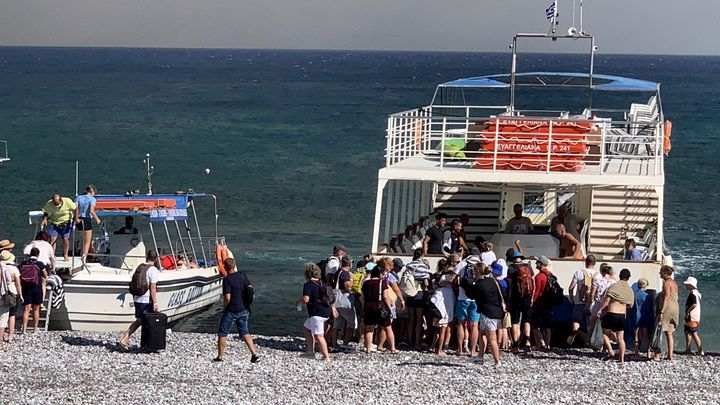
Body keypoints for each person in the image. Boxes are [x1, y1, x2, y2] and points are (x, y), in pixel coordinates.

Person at [214, 258, 259, 363]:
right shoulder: (242, 275)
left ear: (225, 267)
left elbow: (227, 298)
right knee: (245, 332)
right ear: (234, 266)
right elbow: (249, 288)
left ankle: (220, 356)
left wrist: (224, 307)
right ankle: (254, 354)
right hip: (243, 308)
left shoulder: (227, 280)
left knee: (223, 333)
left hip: (231, 310)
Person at [462, 262, 504, 367]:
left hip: (488, 313)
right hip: (497, 311)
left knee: (492, 338)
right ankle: (480, 357)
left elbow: (471, 295)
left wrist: (466, 284)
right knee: (482, 334)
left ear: (477, 271)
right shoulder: (492, 281)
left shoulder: (480, 284)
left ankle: (497, 361)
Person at [118, 250, 159, 350]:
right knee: (142, 321)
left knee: (141, 320)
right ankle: (126, 339)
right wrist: (155, 302)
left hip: (137, 297)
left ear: (146, 257)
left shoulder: (141, 267)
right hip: (145, 299)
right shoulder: (153, 270)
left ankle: (133, 340)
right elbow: (152, 287)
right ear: (156, 258)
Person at [597, 268, 634, 363]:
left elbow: (607, 300)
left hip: (612, 313)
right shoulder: (629, 290)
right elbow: (630, 305)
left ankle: (610, 351)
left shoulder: (614, 286)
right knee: (620, 338)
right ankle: (621, 359)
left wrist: (601, 309)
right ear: (628, 278)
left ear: (619, 276)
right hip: (622, 315)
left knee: (604, 333)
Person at [299, 263, 331, 360]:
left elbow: (306, 299)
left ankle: (326, 357)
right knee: (307, 328)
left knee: (319, 336)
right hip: (325, 310)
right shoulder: (322, 283)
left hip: (317, 313)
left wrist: (298, 301)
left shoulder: (308, 285)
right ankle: (310, 351)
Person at [361, 265, 396, 354]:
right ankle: (393, 348)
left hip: (368, 306)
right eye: (383, 273)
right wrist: (389, 308)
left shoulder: (366, 283)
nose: (383, 275)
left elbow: (363, 297)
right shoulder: (382, 282)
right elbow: (385, 297)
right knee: (388, 328)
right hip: (380, 306)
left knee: (369, 329)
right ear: (379, 273)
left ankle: (368, 349)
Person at [453, 250, 482, 357]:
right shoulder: (481, 265)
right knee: (474, 325)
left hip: (462, 298)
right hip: (476, 299)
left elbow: (452, 278)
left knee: (461, 323)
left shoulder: (463, 264)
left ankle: (460, 349)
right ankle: (473, 350)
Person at [430, 257, 457, 356]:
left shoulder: (439, 280)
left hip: (437, 306)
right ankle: (440, 349)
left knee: (438, 329)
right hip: (444, 309)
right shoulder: (448, 286)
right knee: (443, 330)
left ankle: (434, 346)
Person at [507, 250, 534, 352]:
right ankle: (527, 340)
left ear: (513, 259)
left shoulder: (511, 268)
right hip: (527, 296)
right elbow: (532, 280)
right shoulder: (528, 267)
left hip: (515, 297)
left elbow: (509, 285)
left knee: (515, 321)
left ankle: (515, 345)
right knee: (527, 319)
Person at [567, 255, 596, 345]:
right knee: (590, 324)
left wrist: (572, 299)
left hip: (579, 302)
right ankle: (589, 341)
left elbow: (571, 288)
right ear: (594, 263)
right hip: (592, 303)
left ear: (585, 262)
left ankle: (575, 331)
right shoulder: (597, 275)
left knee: (576, 320)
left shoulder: (578, 273)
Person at [405, 248, 431, 350]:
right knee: (419, 320)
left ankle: (409, 341)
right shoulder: (422, 265)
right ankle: (417, 343)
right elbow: (425, 283)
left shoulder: (409, 265)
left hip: (409, 293)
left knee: (411, 319)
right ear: (422, 255)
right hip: (419, 293)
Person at [40, 194, 76, 261]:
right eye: (55, 204)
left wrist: (76, 218)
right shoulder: (49, 203)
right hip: (55, 222)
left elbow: (75, 209)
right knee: (53, 239)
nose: (56, 206)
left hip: (66, 222)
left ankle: (65, 254)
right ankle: (52, 255)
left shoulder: (67, 201)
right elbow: (46, 212)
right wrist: (45, 219)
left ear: (61, 200)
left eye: (57, 204)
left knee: (65, 239)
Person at [19, 248, 48, 333]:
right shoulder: (39, 264)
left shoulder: (23, 263)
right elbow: (45, 275)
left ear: (29, 254)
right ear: (38, 255)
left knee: (26, 309)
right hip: (36, 288)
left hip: (25, 288)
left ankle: (24, 329)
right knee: (36, 309)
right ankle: (35, 329)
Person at [332, 255, 358, 350]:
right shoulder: (345, 274)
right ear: (349, 264)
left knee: (337, 323)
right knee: (352, 323)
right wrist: (352, 280)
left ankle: (334, 344)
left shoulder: (338, 272)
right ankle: (345, 343)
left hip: (336, 301)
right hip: (344, 301)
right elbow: (348, 287)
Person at [530, 256, 555, 350]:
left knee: (535, 325)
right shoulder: (551, 275)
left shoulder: (539, 277)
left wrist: (533, 302)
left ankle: (541, 343)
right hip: (549, 304)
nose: (536, 264)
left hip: (539, 304)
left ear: (541, 264)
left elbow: (537, 291)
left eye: (537, 262)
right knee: (547, 326)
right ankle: (547, 345)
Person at [655, 265, 679, 361]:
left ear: (665, 273)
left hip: (668, 308)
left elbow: (666, 297)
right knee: (669, 331)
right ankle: (670, 354)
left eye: (660, 271)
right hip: (675, 307)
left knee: (662, 330)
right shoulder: (674, 283)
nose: (659, 273)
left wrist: (661, 311)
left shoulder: (666, 283)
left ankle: (661, 354)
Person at [588, 265, 616, 344]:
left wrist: (591, 302)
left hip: (598, 304)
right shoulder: (614, 282)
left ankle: (592, 341)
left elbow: (592, 294)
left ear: (602, 272)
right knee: (607, 326)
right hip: (609, 305)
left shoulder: (597, 280)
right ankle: (608, 342)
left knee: (593, 323)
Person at [0, 250, 22, 347]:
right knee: (11, 314)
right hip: (11, 294)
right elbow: (18, 284)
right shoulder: (14, 269)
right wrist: (21, 295)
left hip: (1, 294)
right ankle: (10, 336)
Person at [75, 185, 102, 260]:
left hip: (78, 219)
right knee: (87, 241)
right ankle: (84, 258)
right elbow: (91, 210)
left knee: (83, 240)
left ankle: (81, 257)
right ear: (92, 192)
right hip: (86, 219)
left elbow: (76, 208)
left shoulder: (79, 197)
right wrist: (97, 219)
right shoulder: (92, 199)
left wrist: (76, 218)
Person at [683, 276, 703, 356]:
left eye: (687, 284)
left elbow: (694, 304)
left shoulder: (693, 294)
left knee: (693, 332)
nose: (686, 286)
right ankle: (688, 349)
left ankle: (700, 350)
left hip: (692, 316)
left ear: (691, 285)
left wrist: (688, 312)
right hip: (695, 316)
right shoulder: (697, 293)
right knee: (687, 331)